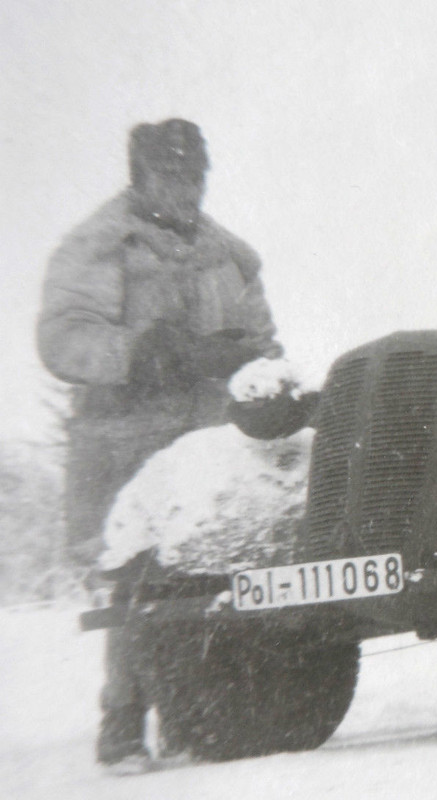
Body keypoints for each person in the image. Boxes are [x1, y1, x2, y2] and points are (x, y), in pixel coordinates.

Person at [37, 118, 283, 769]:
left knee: (213, 575)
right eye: (170, 175)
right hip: (121, 444)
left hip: (203, 445)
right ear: (140, 175)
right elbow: (61, 337)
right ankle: (121, 725)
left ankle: (195, 718)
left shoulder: (229, 255)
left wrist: (245, 363)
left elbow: (262, 342)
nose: (185, 189)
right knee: (135, 581)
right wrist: (136, 352)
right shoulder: (100, 246)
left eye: (195, 175)